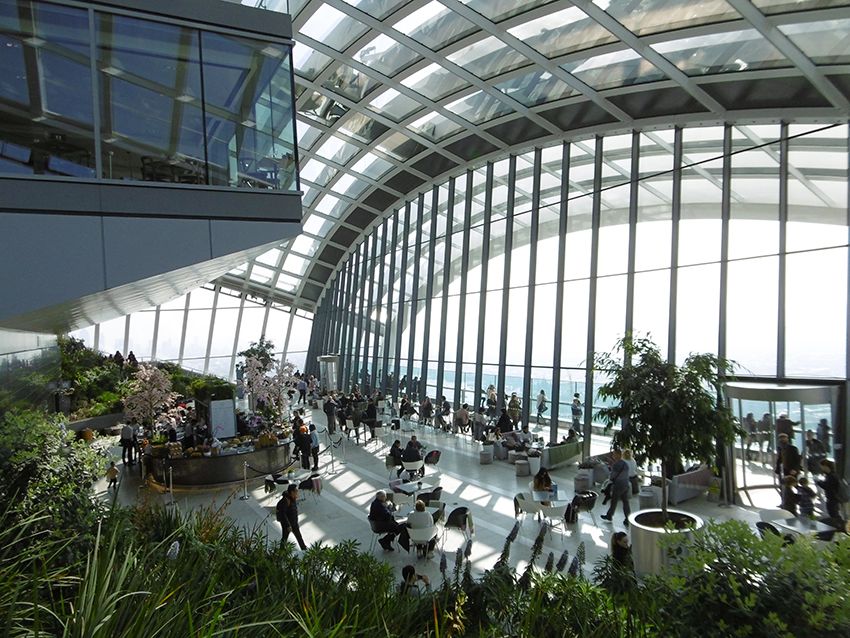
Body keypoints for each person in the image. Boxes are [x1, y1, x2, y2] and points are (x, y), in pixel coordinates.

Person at [601, 449, 631, 526]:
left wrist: (611, 469)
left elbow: (612, 477)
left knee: (614, 501)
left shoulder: (616, 465)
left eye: (614, 454)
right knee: (625, 502)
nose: (613, 456)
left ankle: (609, 516)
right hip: (626, 484)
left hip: (618, 485)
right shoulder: (625, 464)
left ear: (618, 455)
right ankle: (627, 518)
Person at [276, 484, 307, 550]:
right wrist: (288, 525)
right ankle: (281, 552)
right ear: (292, 492)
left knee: (299, 536)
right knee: (284, 538)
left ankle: (304, 549)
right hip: (287, 524)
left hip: (294, 522)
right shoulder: (285, 501)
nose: (297, 492)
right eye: (296, 491)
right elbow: (283, 514)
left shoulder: (293, 498)